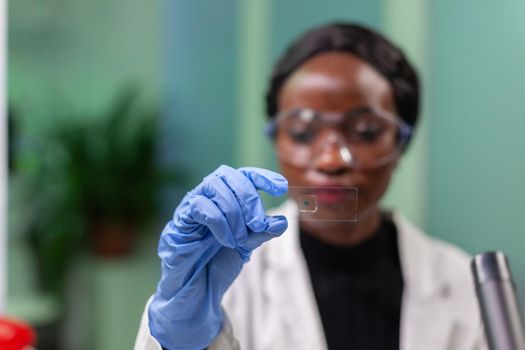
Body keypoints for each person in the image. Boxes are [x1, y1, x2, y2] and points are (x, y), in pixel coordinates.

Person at [134, 22, 486, 350]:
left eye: (365, 131)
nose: (331, 161)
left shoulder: (465, 283)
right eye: (302, 132)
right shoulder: (227, 278)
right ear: (277, 139)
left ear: (400, 144)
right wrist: (182, 339)